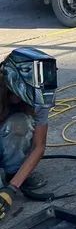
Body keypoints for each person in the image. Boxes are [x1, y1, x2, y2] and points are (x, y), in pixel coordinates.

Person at [0, 51, 51, 218]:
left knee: (20, 124)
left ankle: (13, 172)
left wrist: (11, 190)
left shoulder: (42, 95)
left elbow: (39, 146)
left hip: (7, 133)